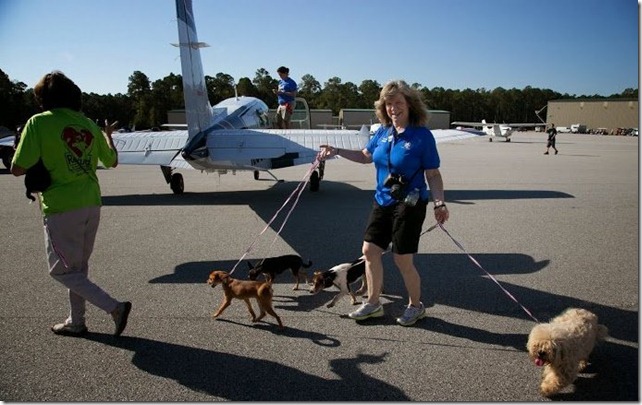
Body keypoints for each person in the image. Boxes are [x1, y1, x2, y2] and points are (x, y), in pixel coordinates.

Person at [318, 80, 449, 326]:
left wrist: (439, 203)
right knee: (369, 251)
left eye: (398, 103)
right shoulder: (382, 132)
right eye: (388, 104)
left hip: (410, 204)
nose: (393, 108)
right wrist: (337, 151)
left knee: (402, 259)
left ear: (410, 105)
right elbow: (366, 156)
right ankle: (373, 303)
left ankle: (416, 306)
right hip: (383, 200)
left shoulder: (422, 136)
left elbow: (433, 174)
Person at [11, 71, 132, 337]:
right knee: (78, 269)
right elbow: (111, 161)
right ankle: (76, 322)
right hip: (91, 202)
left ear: (44, 99)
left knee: (61, 272)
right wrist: (108, 135)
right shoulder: (87, 124)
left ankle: (114, 307)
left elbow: (18, 168)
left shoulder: (38, 123)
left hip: (61, 206)